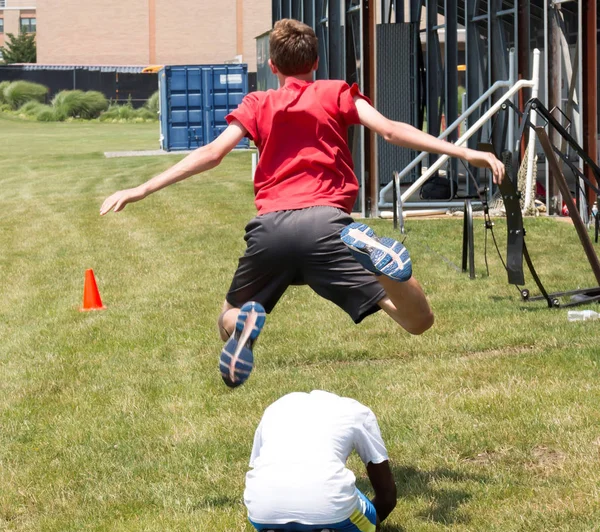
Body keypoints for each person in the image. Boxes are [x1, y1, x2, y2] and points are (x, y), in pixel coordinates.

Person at [100, 19, 505, 388]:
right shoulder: (335, 92)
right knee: (418, 322)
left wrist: (140, 190)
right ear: (315, 61)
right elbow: (390, 131)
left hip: (271, 229)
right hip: (329, 226)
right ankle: (382, 267)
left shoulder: (257, 103)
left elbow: (211, 153)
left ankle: (242, 322)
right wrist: (464, 152)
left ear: (273, 66)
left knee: (226, 320)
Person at [244, 390, 397, 532]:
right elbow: (387, 496)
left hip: (261, 508)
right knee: (367, 523)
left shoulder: (275, 408)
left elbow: (258, 464)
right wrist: (373, 524)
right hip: (328, 505)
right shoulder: (356, 411)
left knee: (289, 514)